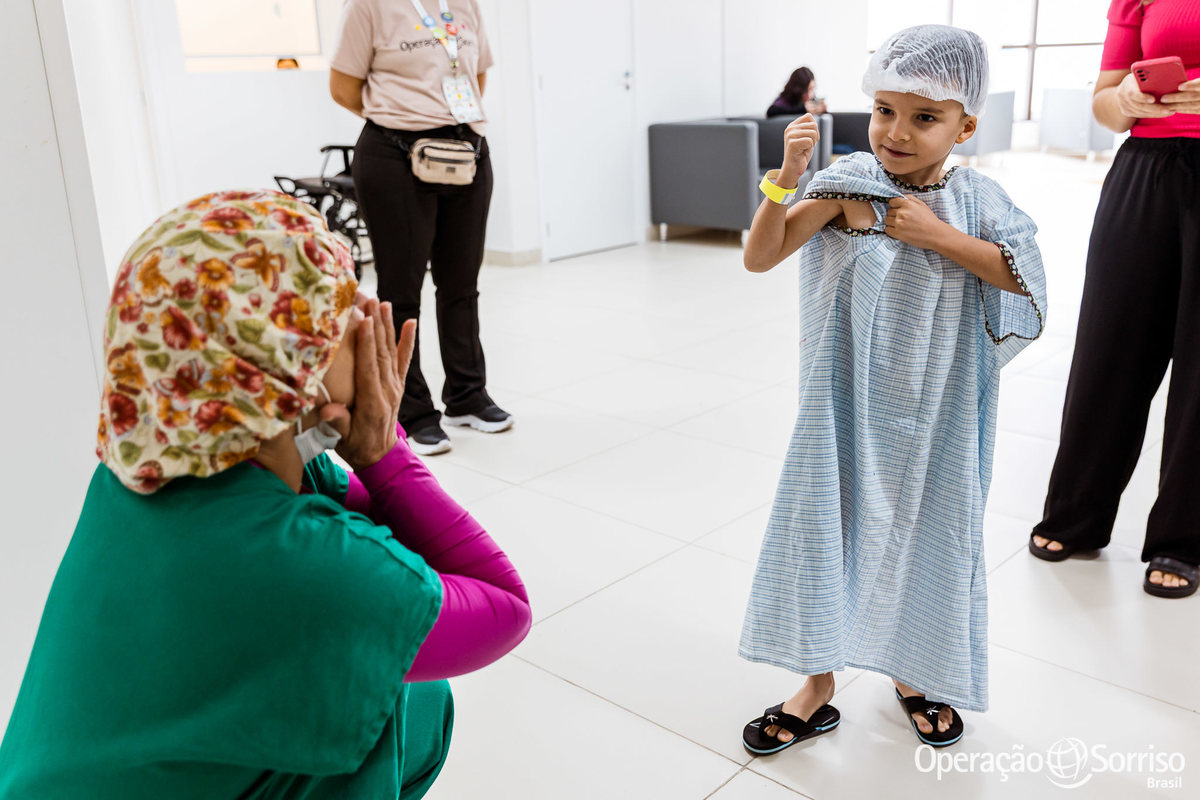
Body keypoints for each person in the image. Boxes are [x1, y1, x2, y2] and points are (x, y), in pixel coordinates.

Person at [0, 190, 531, 799]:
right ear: (280, 371)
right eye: (336, 307)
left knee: (401, 668)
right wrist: (386, 455)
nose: (368, 312)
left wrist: (354, 438)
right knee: (388, 674)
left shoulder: (153, 461)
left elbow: (373, 532)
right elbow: (505, 607)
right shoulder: (304, 565)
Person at [737, 25, 1047, 754]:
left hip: (942, 407)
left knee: (933, 528)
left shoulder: (980, 201)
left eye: (924, 116)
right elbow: (761, 256)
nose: (896, 132)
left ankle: (917, 671)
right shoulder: (850, 184)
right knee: (824, 526)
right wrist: (786, 176)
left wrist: (938, 236)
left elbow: (1026, 281)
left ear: (965, 127)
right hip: (844, 405)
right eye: (884, 110)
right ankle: (816, 682)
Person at [1030, 0, 1200, 599]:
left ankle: (1184, 538)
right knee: (1110, 345)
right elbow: (1104, 101)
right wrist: (1125, 99)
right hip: (1144, 169)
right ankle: (1076, 512)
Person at [329, 0, 510, 456]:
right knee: (401, 291)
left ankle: (467, 395)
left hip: (466, 152)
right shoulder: (368, 6)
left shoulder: (465, 4)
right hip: (394, 154)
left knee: (461, 285)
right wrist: (405, 116)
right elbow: (343, 87)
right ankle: (410, 411)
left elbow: (475, 77)